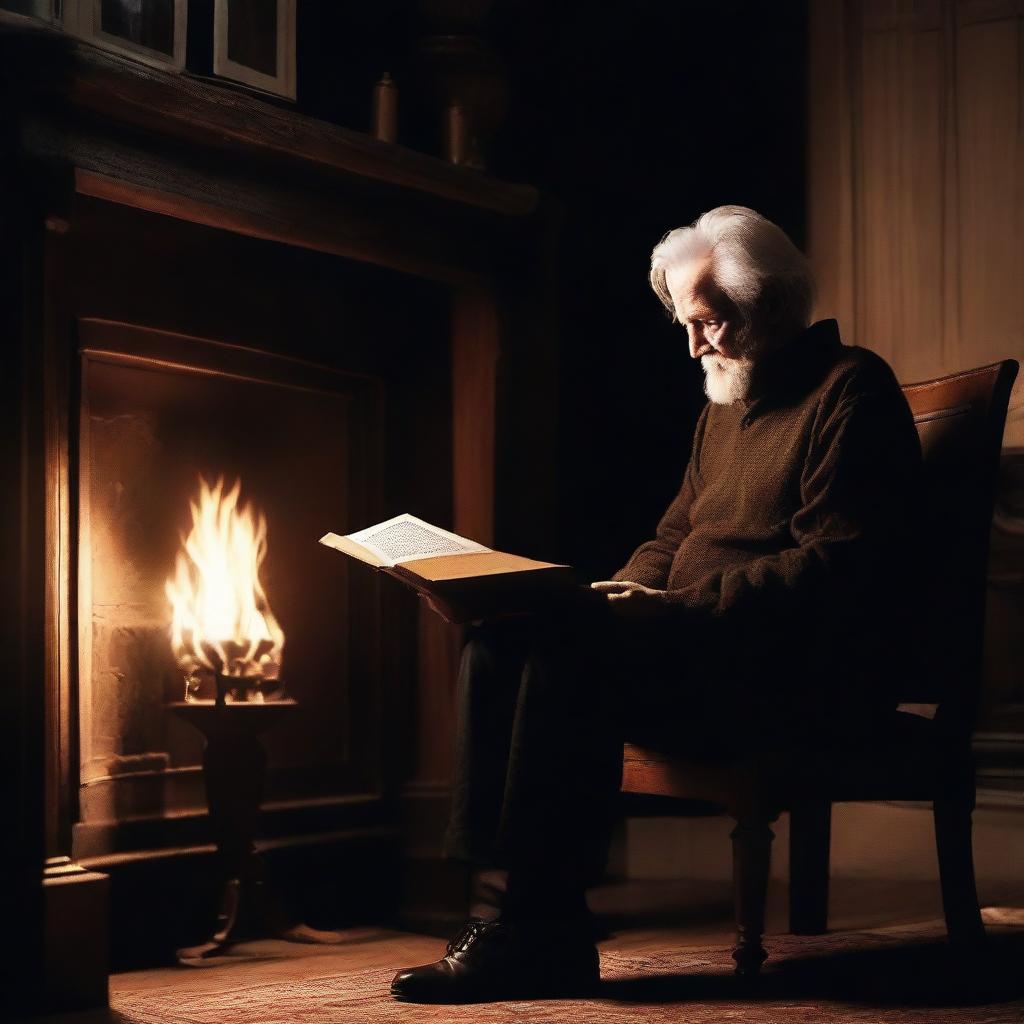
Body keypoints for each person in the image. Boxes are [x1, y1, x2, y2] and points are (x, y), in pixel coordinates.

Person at [390, 205, 922, 1003]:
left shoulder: (851, 390)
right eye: (684, 323)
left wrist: (673, 611)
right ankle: (508, 917)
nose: (693, 346)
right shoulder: (724, 408)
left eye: (707, 323)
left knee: (565, 647)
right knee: (505, 634)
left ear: (771, 305)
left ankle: (540, 934)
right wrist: (613, 593)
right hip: (694, 647)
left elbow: (835, 569)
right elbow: (671, 536)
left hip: (785, 669)